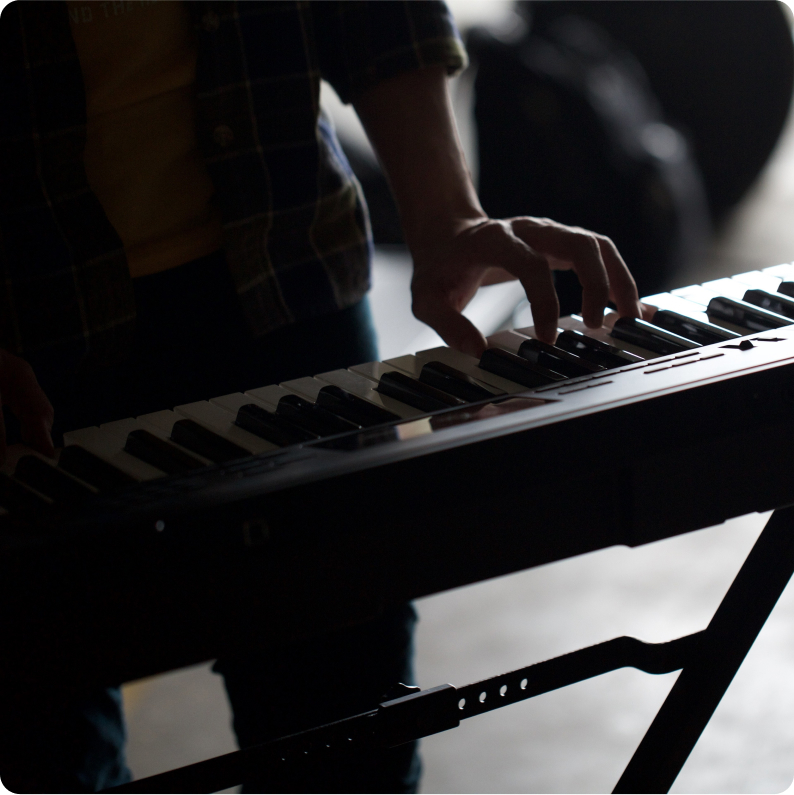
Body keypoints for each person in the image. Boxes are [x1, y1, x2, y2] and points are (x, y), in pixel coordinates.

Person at [0, 1, 642, 792]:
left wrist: (447, 210)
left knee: (346, 733)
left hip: (285, 288)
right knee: (50, 747)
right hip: (24, 340)